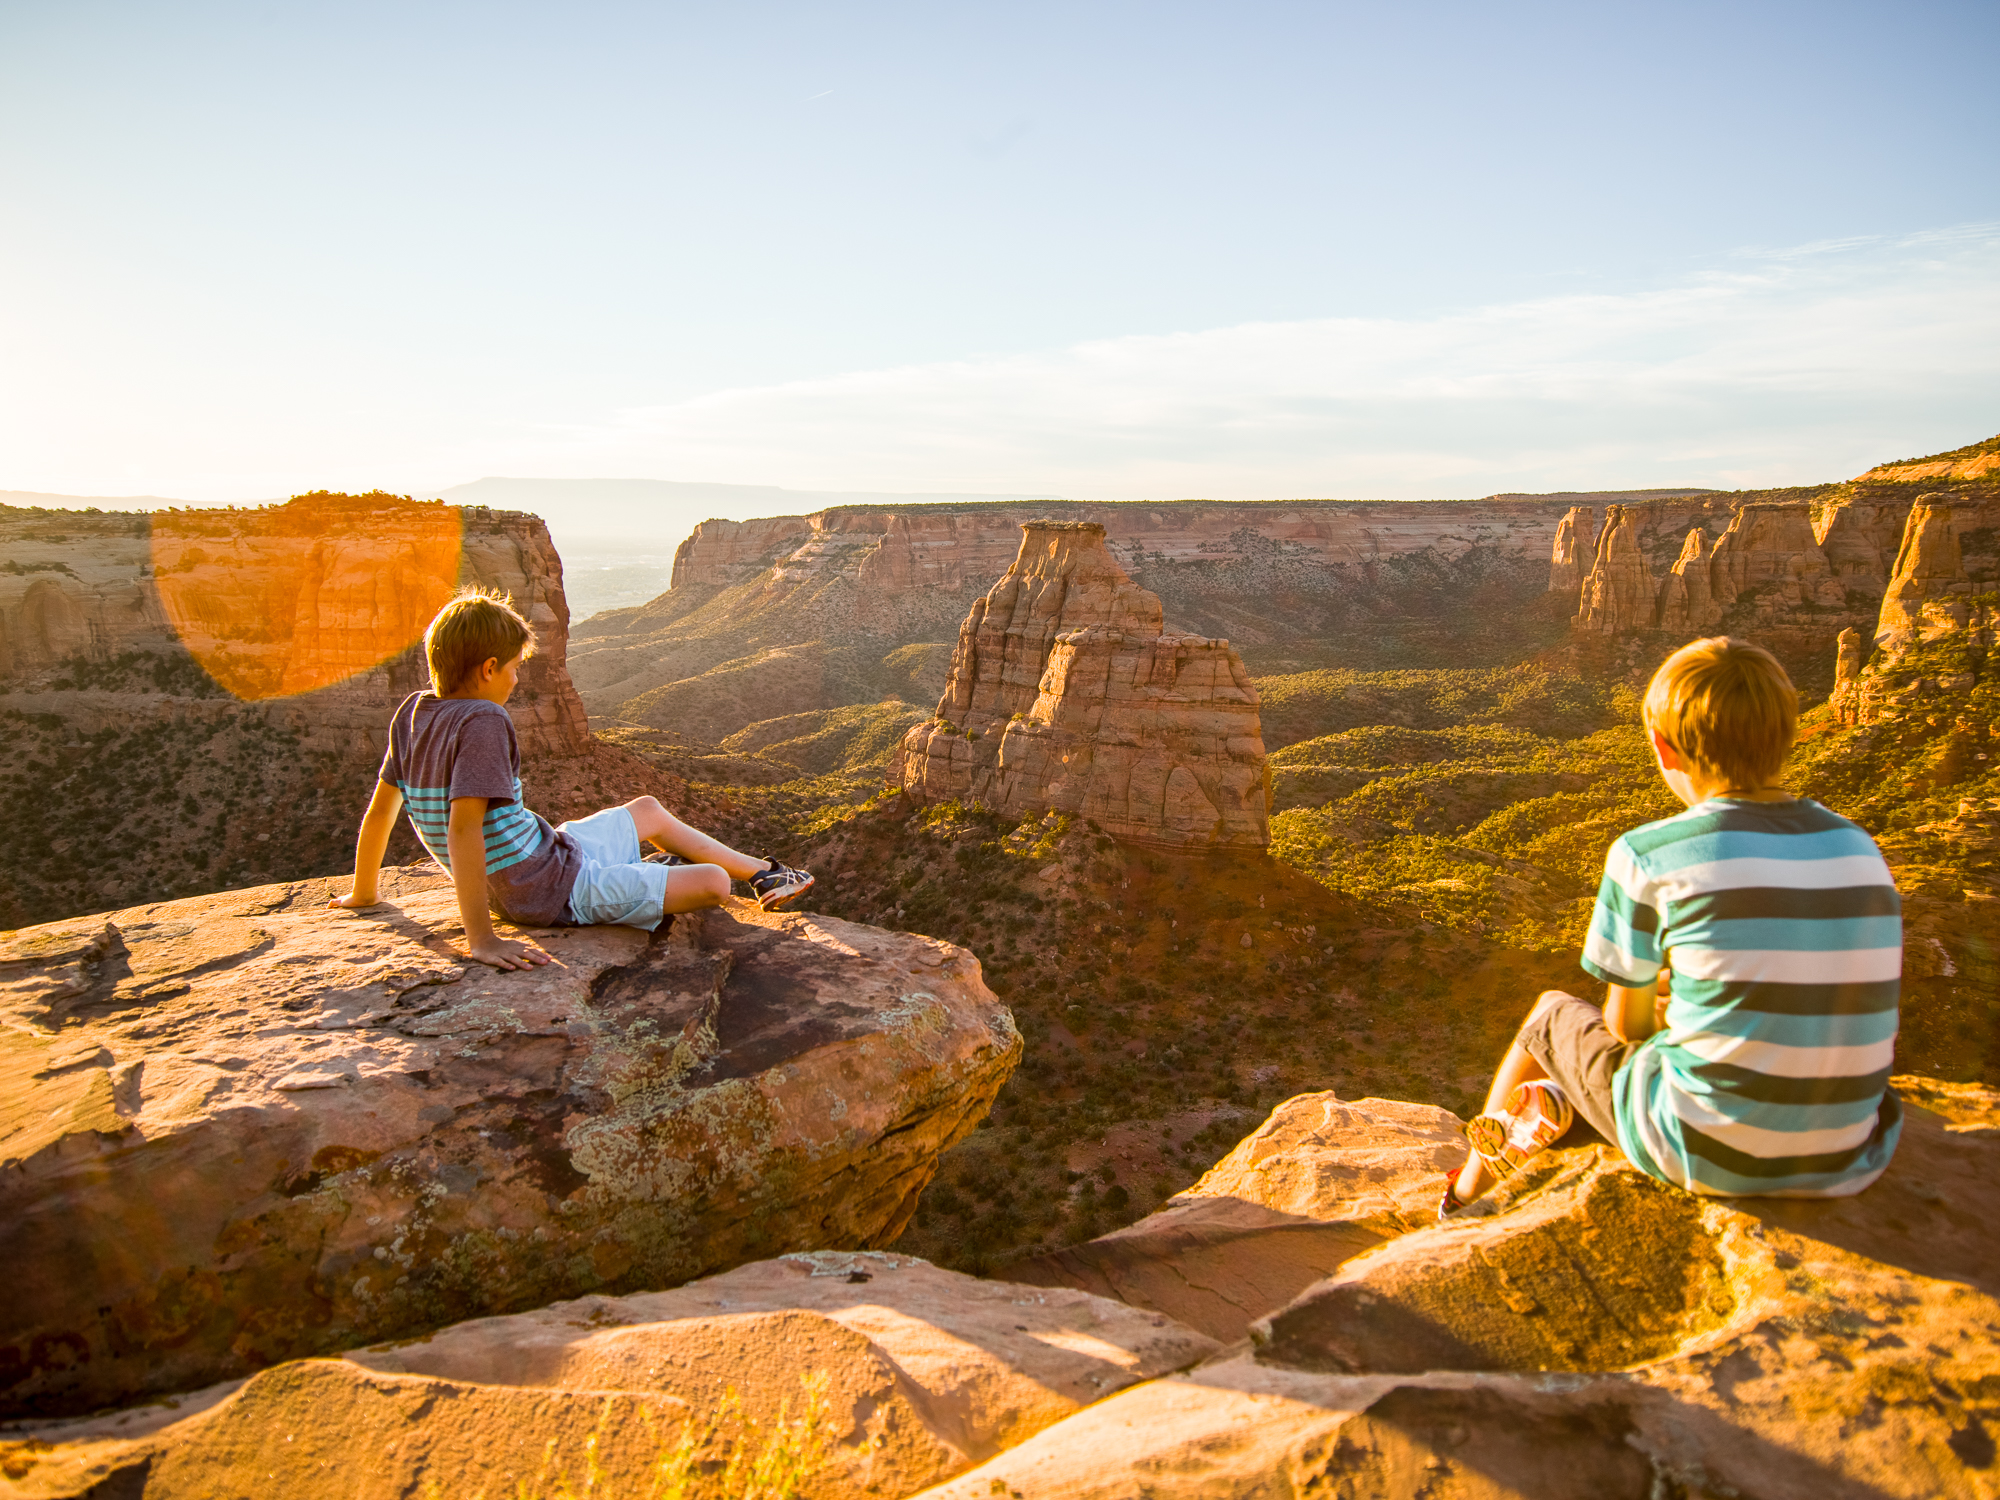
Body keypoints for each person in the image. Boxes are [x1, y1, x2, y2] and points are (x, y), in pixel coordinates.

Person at [1441, 636, 1902, 1219]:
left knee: (1550, 1016)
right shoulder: (1858, 847)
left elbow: (1624, 1029)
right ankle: (1561, 1111)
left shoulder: (1648, 853)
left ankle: (1464, 1195)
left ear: (1663, 748)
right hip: (1846, 1154)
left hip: (1702, 1154)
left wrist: (1662, 1010)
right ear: (1791, 736)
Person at [330, 587, 813, 969]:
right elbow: (463, 830)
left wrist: (365, 892)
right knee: (713, 883)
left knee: (647, 809)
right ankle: (661, 873)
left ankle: (764, 873)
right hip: (548, 891)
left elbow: (380, 812)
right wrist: (481, 939)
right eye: (515, 669)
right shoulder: (484, 720)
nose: (517, 680)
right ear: (489, 668)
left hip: (547, 855)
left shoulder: (412, 713)